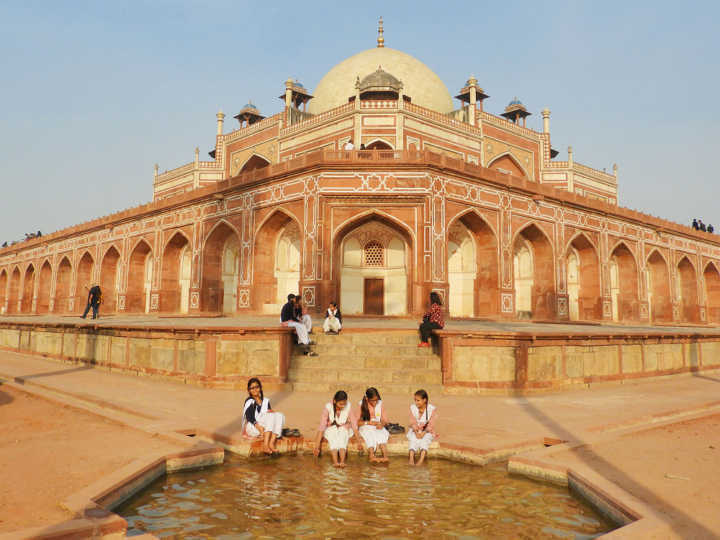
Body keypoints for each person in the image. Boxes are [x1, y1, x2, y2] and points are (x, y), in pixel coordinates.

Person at [242, 377, 285, 454]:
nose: (255, 389)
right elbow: (249, 416)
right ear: (249, 390)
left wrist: (272, 413)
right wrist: (259, 428)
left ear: (260, 388)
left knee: (279, 415)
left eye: (257, 387)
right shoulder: (249, 401)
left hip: (265, 427)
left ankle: (271, 443)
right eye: (252, 388)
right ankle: (265, 445)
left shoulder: (265, 401)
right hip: (253, 427)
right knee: (271, 416)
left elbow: (269, 415)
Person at [313, 390, 352, 467]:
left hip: (344, 428)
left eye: (344, 404)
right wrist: (317, 447)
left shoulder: (348, 406)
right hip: (330, 429)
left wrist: (359, 440)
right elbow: (322, 426)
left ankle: (342, 462)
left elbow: (353, 423)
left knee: (342, 442)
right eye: (340, 404)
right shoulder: (328, 407)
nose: (343, 406)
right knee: (333, 441)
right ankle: (335, 462)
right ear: (334, 401)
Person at [353, 387, 390, 463]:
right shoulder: (361, 405)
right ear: (367, 399)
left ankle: (385, 456)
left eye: (376, 400)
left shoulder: (380, 404)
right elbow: (356, 422)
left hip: (377, 425)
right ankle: (371, 455)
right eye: (373, 400)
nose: (375, 402)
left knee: (381, 435)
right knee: (369, 435)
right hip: (365, 426)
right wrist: (369, 423)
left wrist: (382, 424)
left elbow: (385, 420)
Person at [407, 389, 437, 466]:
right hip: (415, 430)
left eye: (418, 400)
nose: (416, 402)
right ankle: (411, 459)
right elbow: (412, 421)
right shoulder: (412, 408)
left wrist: (423, 433)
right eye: (415, 400)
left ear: (424, 400)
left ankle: (421, 460)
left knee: (425, 440)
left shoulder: (431, 409)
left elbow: (431, 424)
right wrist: (416, 432)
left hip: (427, 431)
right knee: (413, 439)